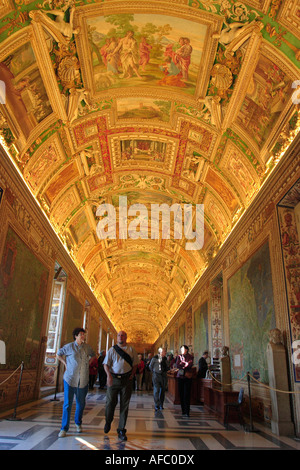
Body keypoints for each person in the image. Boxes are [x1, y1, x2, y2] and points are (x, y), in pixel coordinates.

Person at [57, 328, 96, 437]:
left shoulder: (87, 347)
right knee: (67, 404)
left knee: (81, 403)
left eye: (84, 334)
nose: (83, 336)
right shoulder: (69, 347)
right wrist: (65, 363)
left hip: (83, 380)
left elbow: (93, 355)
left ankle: (78, 423)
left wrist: (89, 363)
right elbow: (58, 354)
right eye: (81, 335)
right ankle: (64, 428)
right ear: (75, 336)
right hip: (70, 379)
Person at [103, 330, 138, 441]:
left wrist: (132, 374)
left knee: (125, 405)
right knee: (110, 403)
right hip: (114, 379)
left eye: (123, 335)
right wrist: (108, 376)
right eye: (119, 335)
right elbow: (106, 364)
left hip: (126, 380)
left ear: (126, 337)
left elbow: (135, 363)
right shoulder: (112, 350)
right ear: (117, 337)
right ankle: (108, 421)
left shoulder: (131, 349)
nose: (120, 337)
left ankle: (121, 429)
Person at [176, 345, 193, 417]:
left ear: (186, 350)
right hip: (180, 377)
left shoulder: (190, 356)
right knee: (181, 394)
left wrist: (182, 364)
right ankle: (183, 410)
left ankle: (187, 410)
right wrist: (184, 364)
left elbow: (189, 365)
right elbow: (177, 365)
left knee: (187, 394)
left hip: (187, 377)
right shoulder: (179, 356)